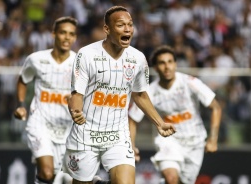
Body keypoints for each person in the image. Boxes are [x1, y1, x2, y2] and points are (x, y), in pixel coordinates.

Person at [62, 6, 176, 184]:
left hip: (118, 136)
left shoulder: (138, 59)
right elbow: (77, 93)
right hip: (86, 135)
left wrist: (159, 123)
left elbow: (140, 95)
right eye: (121, 25)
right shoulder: (86, 54)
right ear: (107, 29)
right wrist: (76, 110)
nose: (127, 29)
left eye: (130, 25)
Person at [128, 45, 222, 184]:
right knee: (171, 178)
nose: (167, 67)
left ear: (175, 64)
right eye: (162, 63)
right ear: (155, 67)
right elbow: (132, 119)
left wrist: (213, 139)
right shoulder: (149, 92)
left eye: (170, 62)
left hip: (194, 142)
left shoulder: (190, 82)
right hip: (169, 141)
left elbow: (216, 107)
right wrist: (131, 146)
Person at [14, 16, 78, 184]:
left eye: (71, 34)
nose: (67, 37)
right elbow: (23, 80)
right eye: (63, 32)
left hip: (67, 129)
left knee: (63, 178)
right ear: (53, 34)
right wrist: (21, 105)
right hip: (40, 122)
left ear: (75, 38)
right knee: (47, 172)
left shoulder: (80, 64)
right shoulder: (36, 59)